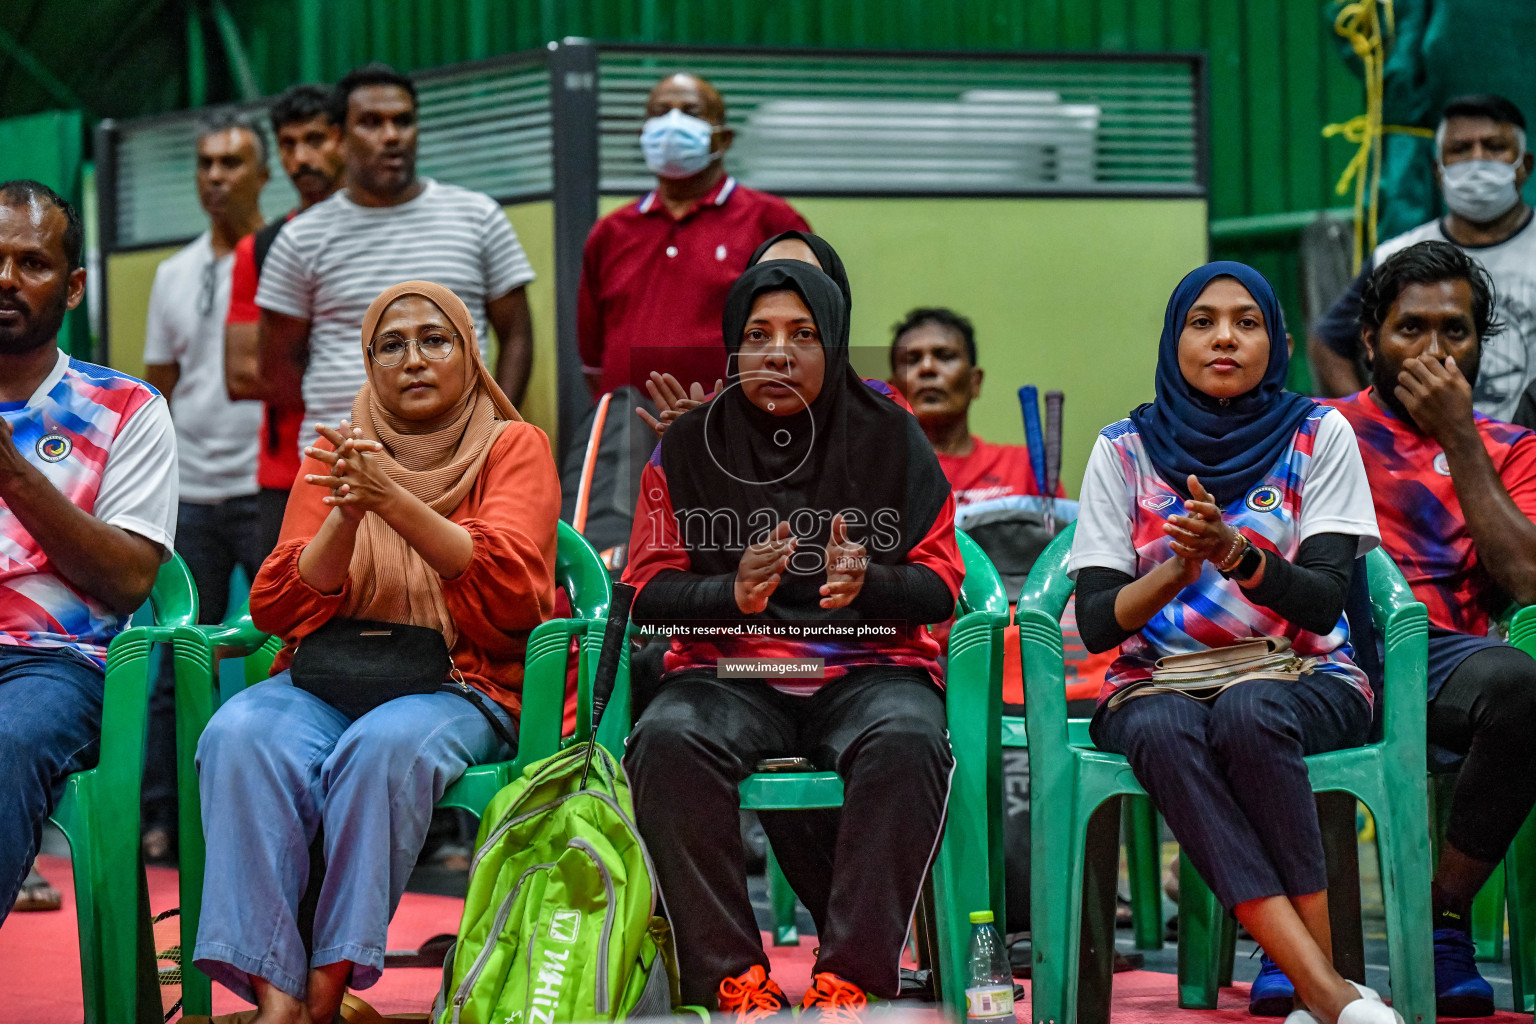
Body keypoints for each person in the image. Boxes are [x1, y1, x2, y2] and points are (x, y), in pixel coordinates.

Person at [192, 281, 559, 1023]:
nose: (413, 359)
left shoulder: (513, 446)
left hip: (460, 682)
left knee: (381, 748)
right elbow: (279, 605)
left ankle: (326, 991)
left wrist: (396, 501)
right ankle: (278, 997)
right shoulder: (335, 450)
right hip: (328, 677)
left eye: (436, 340)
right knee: (237, 733)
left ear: (469, 353)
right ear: (368, 361)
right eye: (391, 345)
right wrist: (349, 514)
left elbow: (516, 600)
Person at [623, 259, 962, 1019]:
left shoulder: (891, 437)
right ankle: (730, 979)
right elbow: (645, 594)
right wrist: (731, 595)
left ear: (835, 345)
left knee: (910, 739)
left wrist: (870, 582)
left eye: (802, 335)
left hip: (870, 669)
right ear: (732, 351)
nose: (778, 353)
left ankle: (855, 977)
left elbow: (942, 583)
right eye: (758, 336)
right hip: (730, 672)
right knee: (667, 740)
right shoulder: (687, 448)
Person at [1072, 263, 1394, 1024]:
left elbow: (1320, 602)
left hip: (1302, 671)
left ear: (1276, 342)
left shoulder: (1320, 433)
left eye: (1246, 322)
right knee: (1161, 725)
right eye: (1203, 320)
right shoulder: (1122, 450)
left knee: (1250, 712)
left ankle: (1312, 983)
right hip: (1157, 681)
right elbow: (1095, 622)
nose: (1224, 337)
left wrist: (1236, 555)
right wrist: (1179, 568)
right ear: (1173, 336)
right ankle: (1328, 990)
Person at [1323, 240, 1536, 1018]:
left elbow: (1528, 581)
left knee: (1524, 687)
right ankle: (1318, 937)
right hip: (1325, 642)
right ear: (1372, 336)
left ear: (1482, 343)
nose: (1435, 350)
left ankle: (1441, 917)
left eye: (1456, 331)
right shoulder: (1318, 429)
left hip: (1447, 661)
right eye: (1412, 330)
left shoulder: (1510, 449)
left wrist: (1459, 439)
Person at [0, 180, 178, 922]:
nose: (5, 279)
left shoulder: (126, 409)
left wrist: (12, 471)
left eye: (31, 263)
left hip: (55, 665)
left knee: (5, 741)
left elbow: (132, 578)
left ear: (73, 288)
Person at [256, 62, 536, 459]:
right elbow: (278, 367)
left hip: (462, 462)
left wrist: (496, 428)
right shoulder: (302, 236)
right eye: (371, 123)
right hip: (343, 466)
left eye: (403, 122)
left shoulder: (478, 216)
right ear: (338, 137)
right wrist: (347, 407)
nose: (391, 136)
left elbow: (517, 335)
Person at [140, 109, 270, 864]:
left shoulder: (285, 254)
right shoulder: (173, 272)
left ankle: (263, 812)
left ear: (261, 174)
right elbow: (156, 389)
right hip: (190, 495)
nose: (216, 177)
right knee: (176, 654)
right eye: (205, 164)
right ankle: (162, 817)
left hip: (266, 485)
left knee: (280, 651)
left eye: (231, 163)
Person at [577, 72, 809, 399]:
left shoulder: (773, 222)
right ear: (643, 134)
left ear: (724, 139)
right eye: (660, 112)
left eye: (691, 112)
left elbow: (806, 336)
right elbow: (593, 362)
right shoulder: (611, 231)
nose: (672, 123)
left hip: (737, 427)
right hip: (630, 428)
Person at [1309, 94, 1535, 424]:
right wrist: (1369, 427)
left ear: (1524, 165)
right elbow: (1328, 344)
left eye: (1493, 147)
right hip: (1421, 465)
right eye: (1460, 150)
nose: (1477, 161)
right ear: (1438, 170)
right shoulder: (1396, 254)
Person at [226, 82, 346, 557]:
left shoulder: (387, 233)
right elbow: (241, 374)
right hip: (287, 470)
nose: (301, 158)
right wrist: (331, 374)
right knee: (288, 619)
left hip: (392, 463)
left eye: (315, 140)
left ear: (343, 139)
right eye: (289, 144)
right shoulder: (261, 247)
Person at [888, 306, 1059, 510]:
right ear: (892, 389)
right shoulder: (873, 472)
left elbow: (1061, 538)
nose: (927, 368)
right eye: (912, 360)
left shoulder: (1025, 466)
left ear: (974, 382)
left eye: (944, 356)